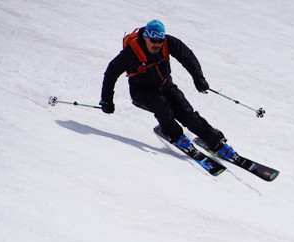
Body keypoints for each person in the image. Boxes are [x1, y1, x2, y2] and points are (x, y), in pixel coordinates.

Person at [100, 19, 235, 159]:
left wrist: (198, 78)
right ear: (146, 37)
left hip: (166, 86)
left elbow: (187, 56)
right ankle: (174, 135)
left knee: (188, 114)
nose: (157, 44)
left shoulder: (168, 43)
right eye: (153, 41)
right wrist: (106, 101)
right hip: (142, 93)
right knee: (162, 105)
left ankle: (215, 142)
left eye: (160, 41)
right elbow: (111, 73)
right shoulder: (132, 52)